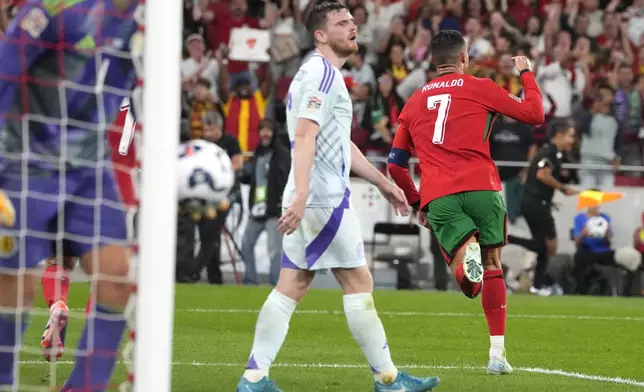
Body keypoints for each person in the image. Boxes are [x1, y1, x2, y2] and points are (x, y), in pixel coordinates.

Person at [236, 3, 440, 392]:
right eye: (341, 23)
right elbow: (305, 136)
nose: (352, 26)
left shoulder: (320, 74)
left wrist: (381, 181)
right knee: (359, 282)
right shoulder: (321, 75)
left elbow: (336, 141)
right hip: (322, 199)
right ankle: (388, 380)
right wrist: (301, 196)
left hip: (312, 196)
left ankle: (254, 377)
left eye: (352, 20)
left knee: (291, 286)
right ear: (320, 35)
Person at [387, 29, 545, 376]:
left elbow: (395, 165)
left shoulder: (413, 102)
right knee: (493, 265)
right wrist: (526, 72)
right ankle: (496, 354)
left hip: (439, 194)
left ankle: (462, 263)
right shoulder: (481, 88)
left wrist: (418, 204)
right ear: (464, 59)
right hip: (483, 188)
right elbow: (534, 114)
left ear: (433, 62)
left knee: (464, 264)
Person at [0, 0, 139, 389]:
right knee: (14, 284)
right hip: (30, 158)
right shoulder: (52, 8)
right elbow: (5, 74)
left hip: (89, 169)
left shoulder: (149, 21)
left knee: (117, 278)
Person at [507, 120, 578, 296]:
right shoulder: (550, 152)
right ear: (559, 135)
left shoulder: (554, 153)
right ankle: (507, 239)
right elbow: (542, 175)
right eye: (570, 136)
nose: (572, 140)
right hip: (535, 203)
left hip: (538, 202)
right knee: (548, 245)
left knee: (545, 247)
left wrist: (549, 198)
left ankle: (537, 286)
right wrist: (562, 188)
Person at [240, 119, 291, 285]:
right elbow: (253, 179)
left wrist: (281, 204)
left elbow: (286, 180)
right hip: (256, 210)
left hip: (273, 210)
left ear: (274, 132)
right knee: (246, 245)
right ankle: (250, 280)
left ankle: (276, 283)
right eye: (262, 129)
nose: (265, 133)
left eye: (268, 130)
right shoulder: (257, 153)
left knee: (275, 251)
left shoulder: (282, 154)